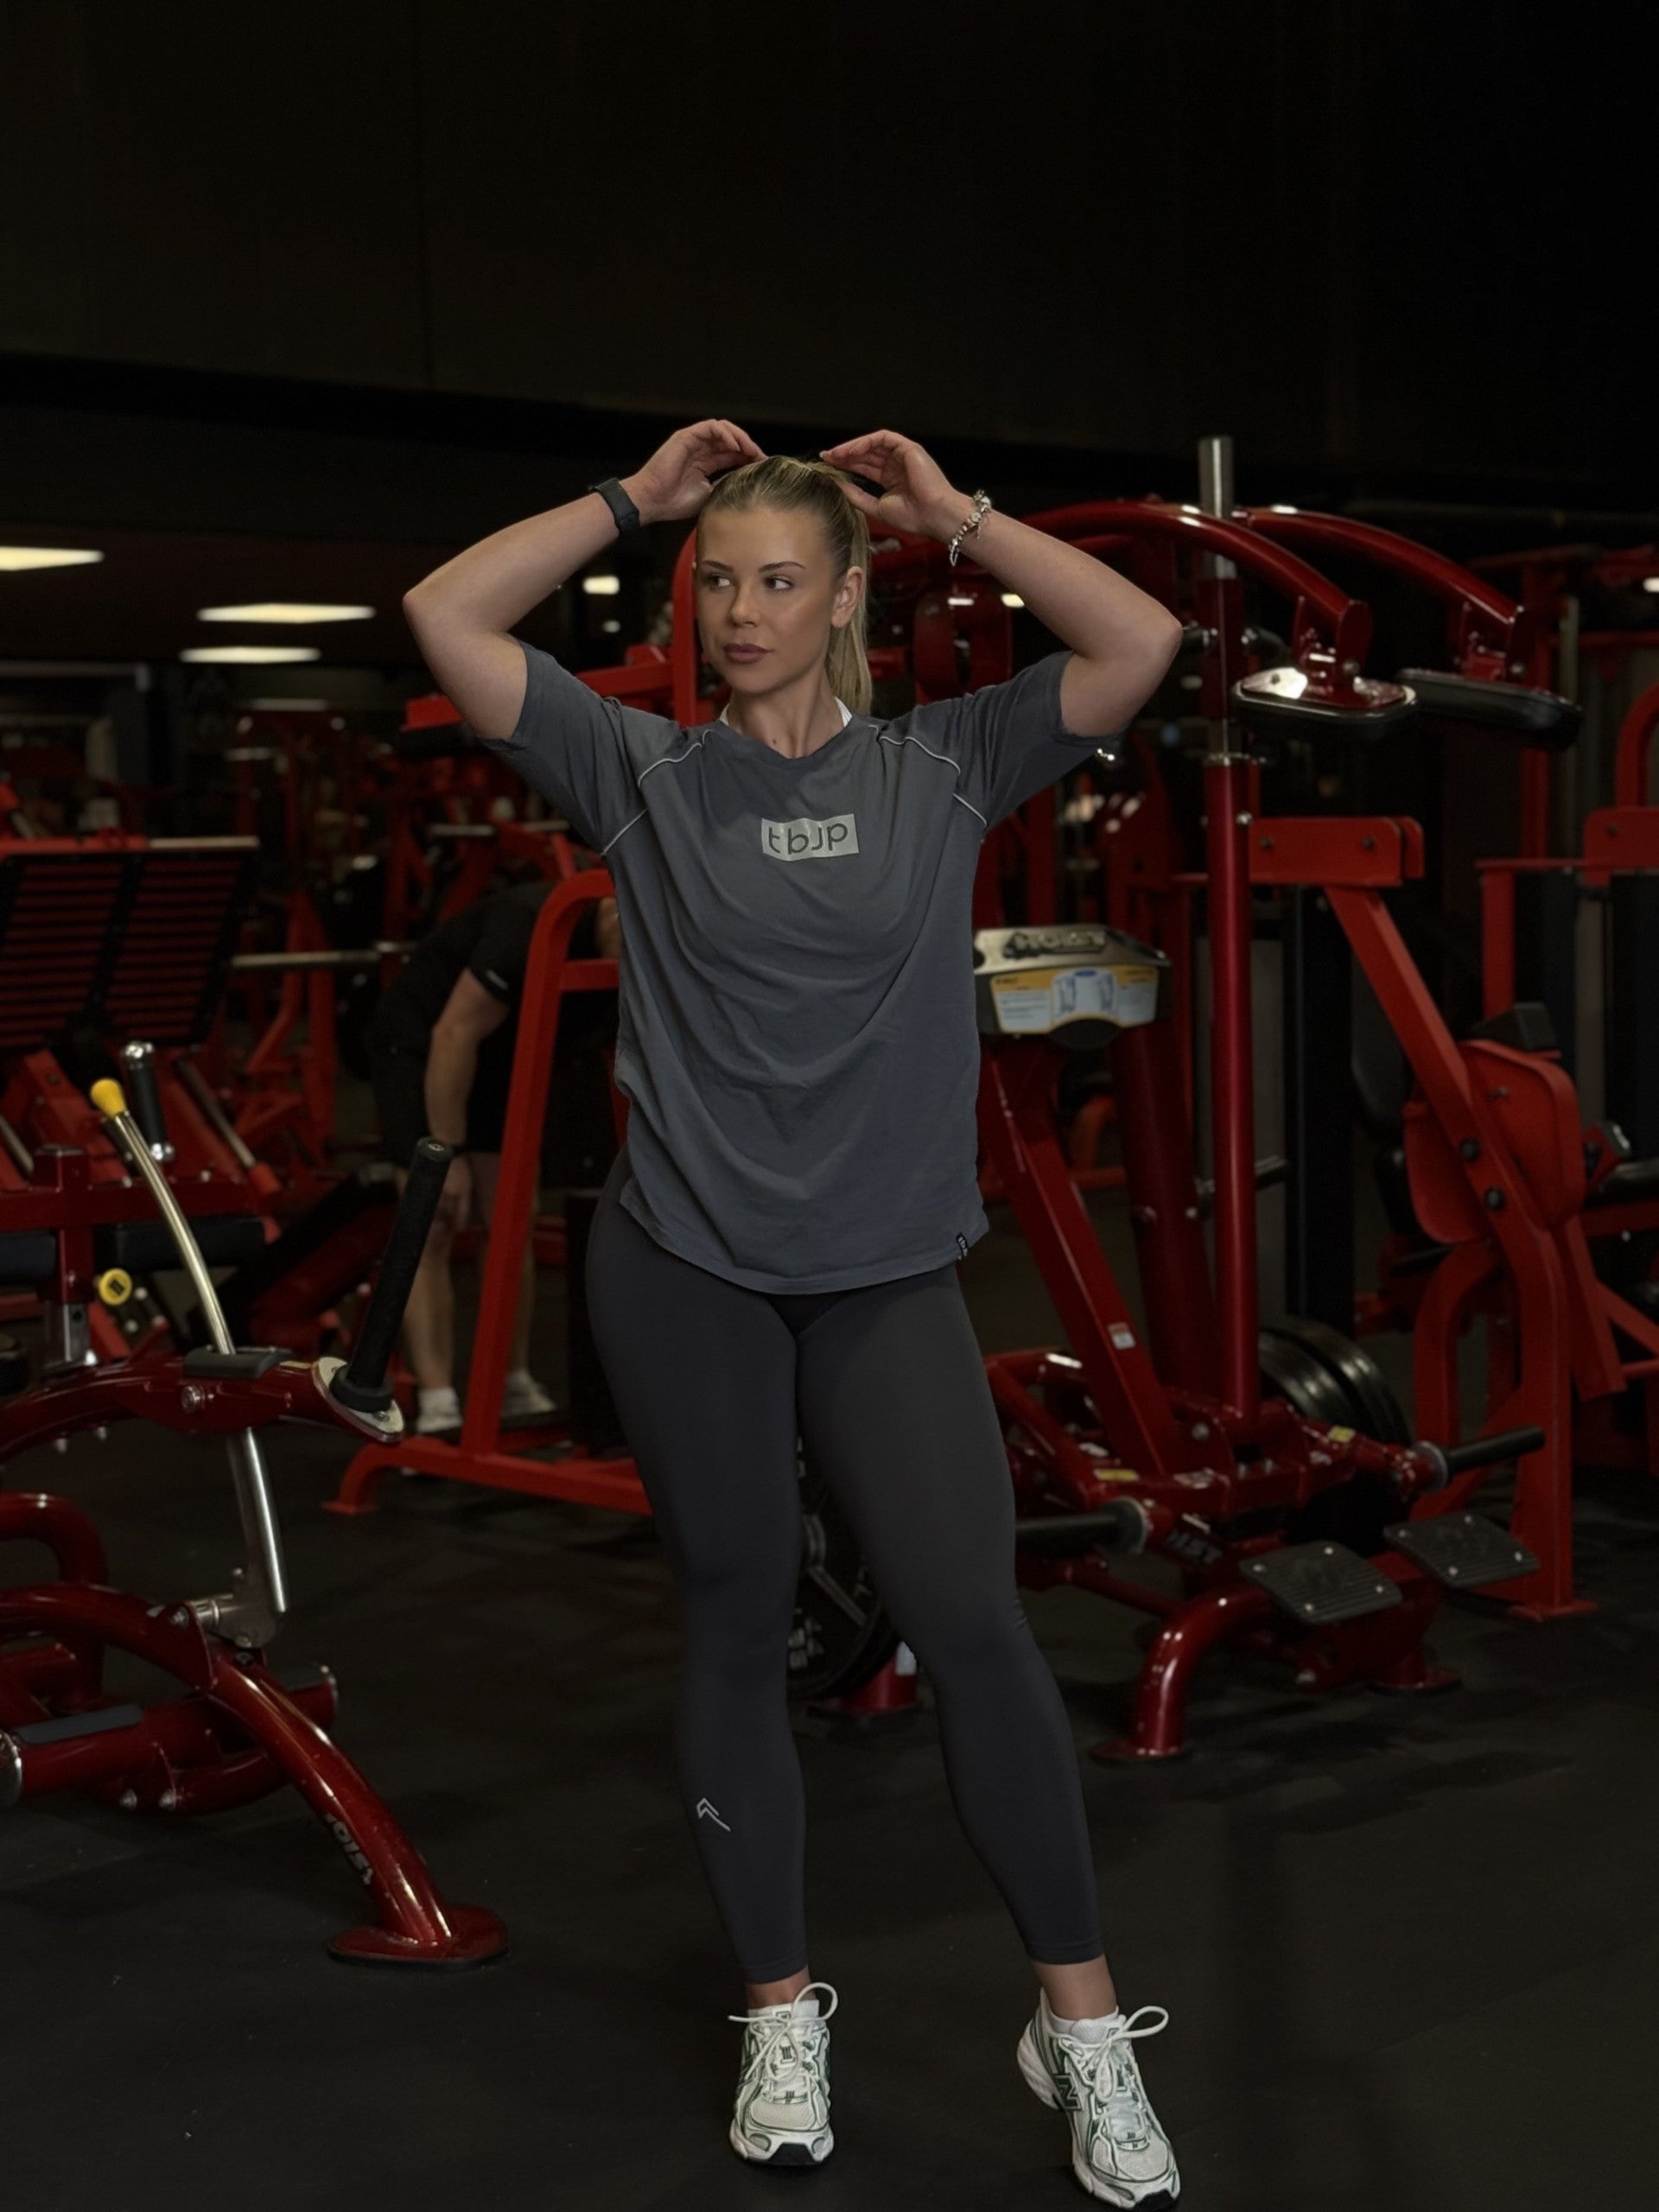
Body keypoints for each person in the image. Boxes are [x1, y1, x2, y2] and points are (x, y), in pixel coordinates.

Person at [401, 422, 1185, 2207]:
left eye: (777, 581)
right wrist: (627, 501)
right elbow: (444, 609)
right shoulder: (641, 773)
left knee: (972, 1622)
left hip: (887, 1270)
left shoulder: (946, 760)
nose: (741, 609)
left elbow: (1140, 644)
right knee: (737, 1617)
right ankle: (780, 2007)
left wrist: (960, 517)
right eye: (720, 581)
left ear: (844, 598)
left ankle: (1079, 2023)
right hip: (687, 1268)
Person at [364, 879, 620, 1434]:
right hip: (424, 1046)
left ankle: (509, 1380)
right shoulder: (526, 927)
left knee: (510, 1218)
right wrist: (447, 1155)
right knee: (434, 1217)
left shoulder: (640, 953)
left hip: (505, 1054)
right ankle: (436, 1401)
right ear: (614, 908)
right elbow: (454, 1034)